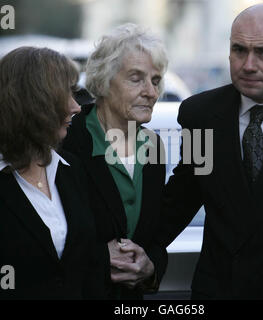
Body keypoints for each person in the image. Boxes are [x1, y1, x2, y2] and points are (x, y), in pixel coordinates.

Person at [156, 4, 263, 299]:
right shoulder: (201, 114)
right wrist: (139, 251)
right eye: (239, 50)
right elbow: (180, 199)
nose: (248, 65)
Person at [63, 23, 168, 299]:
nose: (151, 92)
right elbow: (42, 239)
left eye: (155, 80)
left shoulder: (154, 147)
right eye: (136, 78)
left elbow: (155, 237)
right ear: (104, 80)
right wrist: (98, 258)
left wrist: (151, 266)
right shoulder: (65, 141)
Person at [0, 47, 109, 300]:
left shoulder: (71, 170)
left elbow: (84, 268)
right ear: (33, 102)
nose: (77, 107)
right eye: (65, 95)